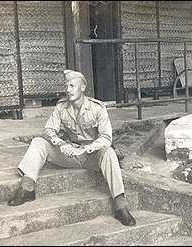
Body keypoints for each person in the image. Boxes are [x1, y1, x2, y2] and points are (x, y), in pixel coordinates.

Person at [8, 69, 136, 226]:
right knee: (38, 142)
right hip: (69, 154)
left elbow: (106, 138)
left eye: (72, 86)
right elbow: (48, 130)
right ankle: (27, 187)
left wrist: (84, 149)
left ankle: (120, 204)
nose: (68, 90)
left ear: (82, 87)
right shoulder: (61, 107)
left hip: (92, 156)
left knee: (108, 152)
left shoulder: (98, 108)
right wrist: (61, 144)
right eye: (66, 86)